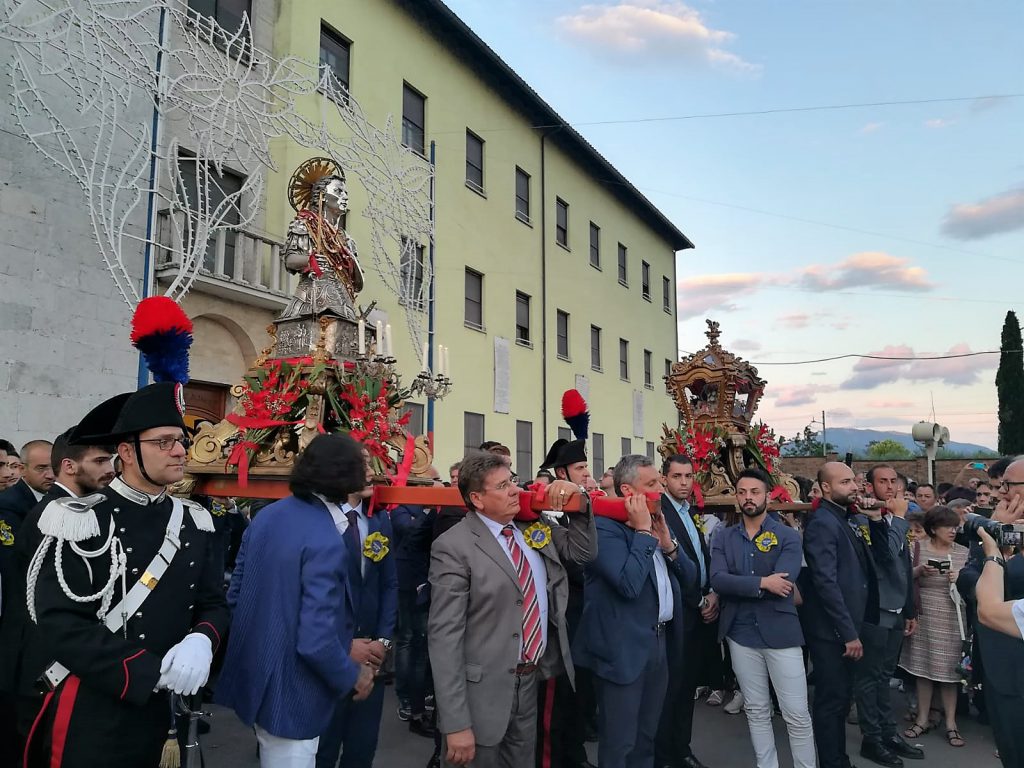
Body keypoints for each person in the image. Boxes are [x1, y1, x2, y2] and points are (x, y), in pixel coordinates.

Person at [22, 382, 229, 768]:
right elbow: (62, 623)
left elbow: (212, 601)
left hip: (170, 710)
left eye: (181, 440)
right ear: (127, 452)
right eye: (164, 441)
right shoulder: (81, 520)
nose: (181, 451)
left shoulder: (193, 521)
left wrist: (202, 639)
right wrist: (148, 671)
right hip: (99, 707)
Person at [428, 449, 596, 767]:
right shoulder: (453, 547)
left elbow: (582, 553)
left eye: (513, 481)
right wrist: (456, 723)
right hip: (482, 695)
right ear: (477, 498)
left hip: (531, 681)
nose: (515, 491)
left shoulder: (531, 528)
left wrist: (579, 502)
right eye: (503, 486)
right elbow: (444, 639)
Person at [218, 433, 375, 767]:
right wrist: (352, 674)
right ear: (344, 475)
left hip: (258, 676)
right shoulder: (325, 539)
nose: (371, 472)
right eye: (363, 465)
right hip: (295, 692)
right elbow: (316, 640)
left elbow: (237, 595)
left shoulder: (269, 516)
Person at [574, 454, 698, 768]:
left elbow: (691, 578)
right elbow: (628, 585)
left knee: (647, 739)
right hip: (623, 651)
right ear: (630, 492)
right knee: (621, 743)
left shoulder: (657, 524)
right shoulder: (603, 529)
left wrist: (668, 544)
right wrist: (644, 535)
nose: (662, 489)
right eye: (653, 484)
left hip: (659, 645)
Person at [711, 468, 814, 768]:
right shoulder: (724, 537)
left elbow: (784, 583)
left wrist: (745, 584)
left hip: (781, 633)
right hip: (740, 633)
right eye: (742, 492)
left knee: (796, 712)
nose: (748, 498)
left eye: (754, 492)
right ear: (736, 497)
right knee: (756, 710)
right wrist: (761, 583)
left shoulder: (787, 536)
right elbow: (718, 580)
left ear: (767, 495)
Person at [316, 449, 399, 768]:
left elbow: (389, 585)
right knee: (321, 752)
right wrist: (342, 647)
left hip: (372, 660)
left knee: (362, 752)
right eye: (361, 464)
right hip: (329, 658)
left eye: (370, 463)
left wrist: (382, 643)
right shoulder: (319, 520)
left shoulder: (378, 518)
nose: (370, 471)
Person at [799, 462, 885, 768]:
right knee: (831, 700)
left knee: (841, 696)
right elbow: (826, 582)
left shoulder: (847, 517)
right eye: (846, 482)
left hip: (851, 623)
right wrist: (847, 633)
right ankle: (833, 762)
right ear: (825, 488)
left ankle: (839, 759)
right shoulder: (823, 522)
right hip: (831, 631)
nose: (854, 487)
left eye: (854, 481)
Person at [853, 465, 922, 767]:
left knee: (884, 675)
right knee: (869, 679)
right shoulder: (863, 520)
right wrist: (900, 520)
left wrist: (909, 609)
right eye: (882, 481)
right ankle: (872, 738)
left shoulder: (895, 520)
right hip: (875, 609)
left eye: (894, 481)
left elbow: (904, 569)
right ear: (869, 487)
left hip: (897, 609)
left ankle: (888, 732)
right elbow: (885, 554)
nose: (890, 487)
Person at [536, 429, 596, 768]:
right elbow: (575, 562)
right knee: (555, 698)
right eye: (579, 469)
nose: (586, 474)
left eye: (587, 467)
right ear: (562, 475)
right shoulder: (546, 512)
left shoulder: (590, 499)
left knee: (580, 691)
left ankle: (576, 752)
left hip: (587, 614)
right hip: (563, 613)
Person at [656, 454, 718, 768]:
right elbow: (673, 565)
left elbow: (700, 556)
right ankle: (666, 753)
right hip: (680, 611)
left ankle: (681, 747)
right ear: (664, 478)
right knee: (673, 688)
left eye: (688, 476)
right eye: (677, 476)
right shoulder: (661, 512)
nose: (684, 482)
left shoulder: (689, 510)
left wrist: (711, 593)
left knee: (687, 685)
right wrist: (697, 599)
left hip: (699, 609)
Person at [899, 506, 970, 749]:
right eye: (947, 526)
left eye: (955, 526)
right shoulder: (916, 548)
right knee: (922, 669)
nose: (953, 530)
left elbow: (975, 585)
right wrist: (918, 571)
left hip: (953, 614)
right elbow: (901, 578)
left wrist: (961, 577)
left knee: (950, 673)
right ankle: (922, 718)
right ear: (933, 528)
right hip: (923, 613)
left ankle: (951, 723)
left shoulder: (963, 552)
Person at [0, 440, 54, 549]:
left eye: (54, 467)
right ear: (22, 469)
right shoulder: (7, 504)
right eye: (41, 468)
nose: (51, 475)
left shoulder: (61, 498)